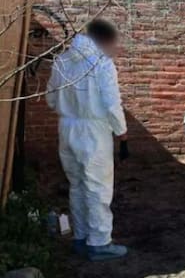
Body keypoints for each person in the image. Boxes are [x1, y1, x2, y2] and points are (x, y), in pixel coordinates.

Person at [46, 19, 129, 261]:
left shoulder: (61, 61)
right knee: (98, 187)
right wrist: (121, 131)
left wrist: (68, 110)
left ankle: (80, 237)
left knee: (78, 184)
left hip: (67, 127)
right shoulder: (102, 64)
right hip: (93, 130)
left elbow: (51, 99)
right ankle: (100, 242)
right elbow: (112, 104)